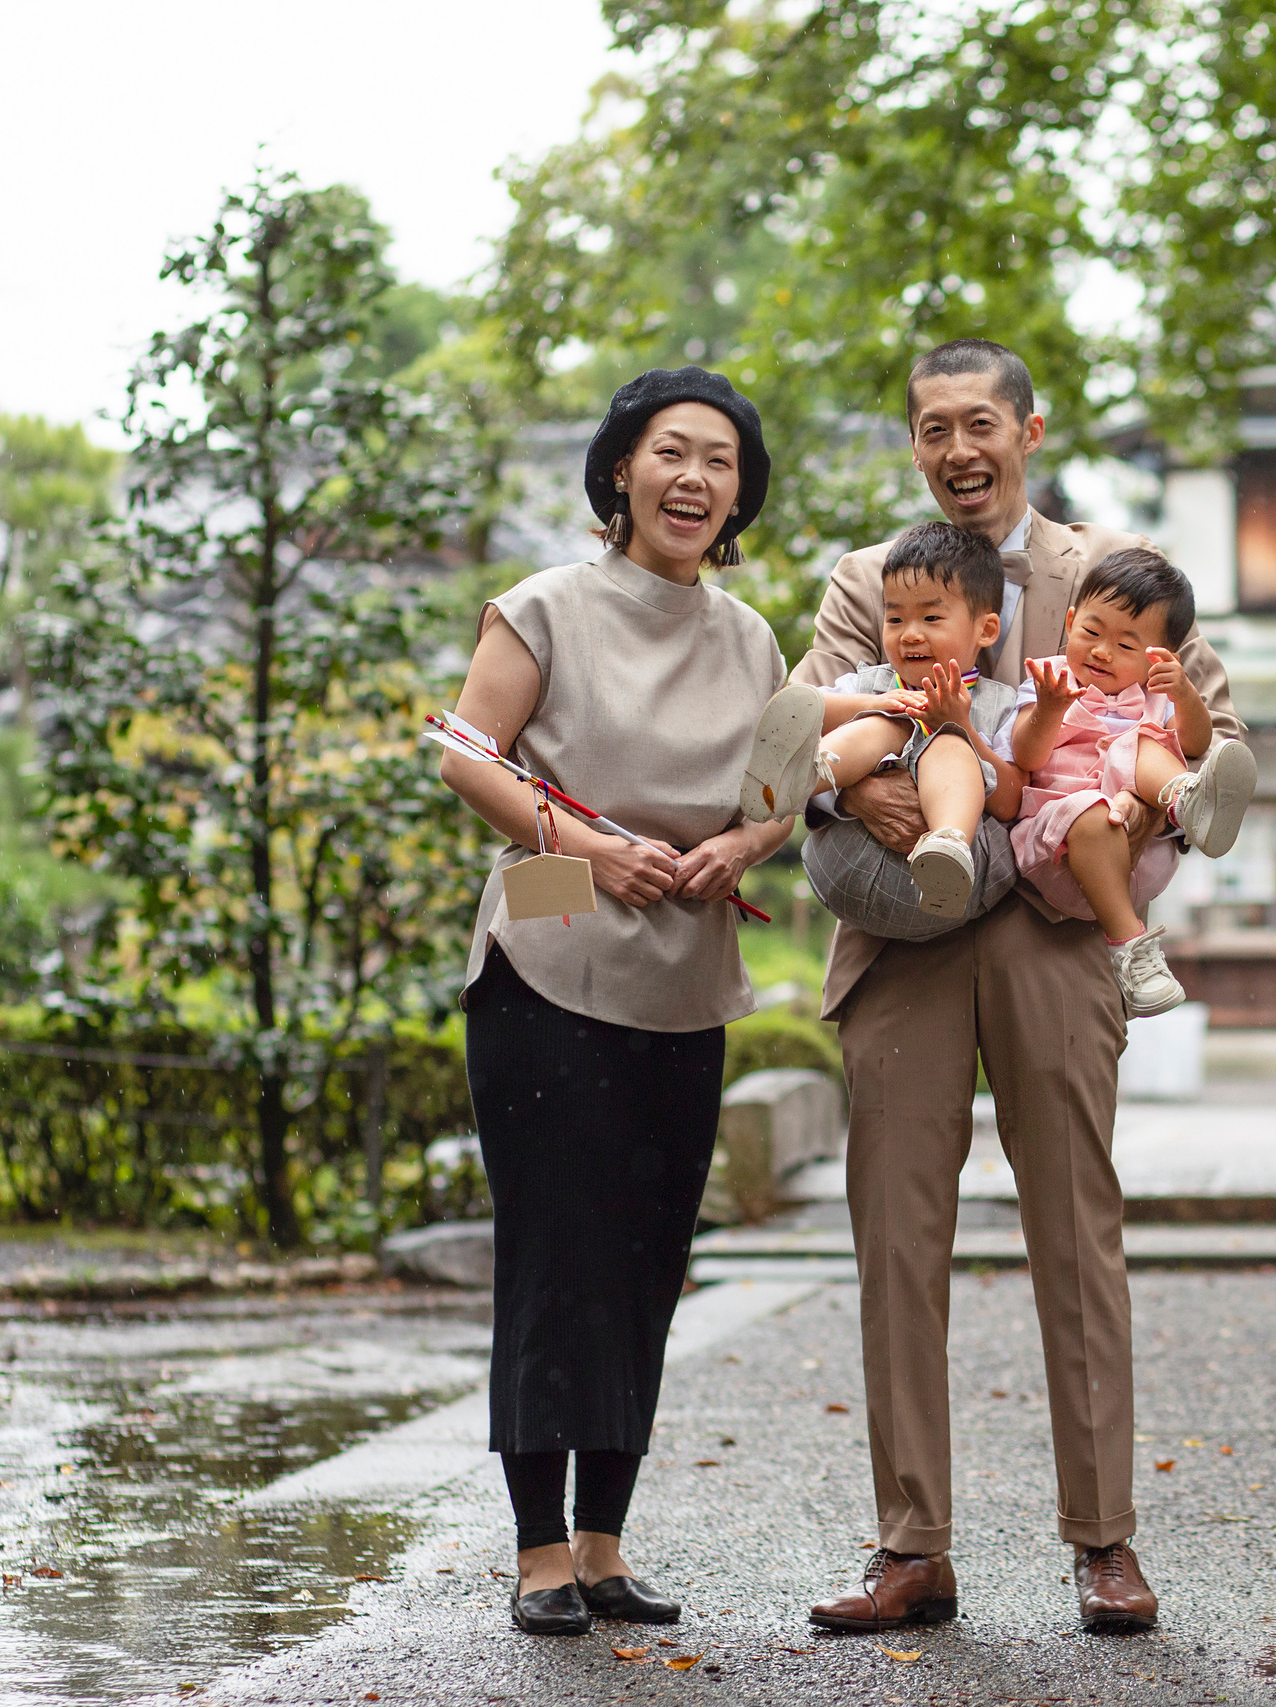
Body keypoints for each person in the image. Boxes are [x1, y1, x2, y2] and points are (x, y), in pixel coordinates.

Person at [790, 339, 1241, 1636]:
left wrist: (1138, 812)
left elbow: (1212, 731)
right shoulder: (867, 578)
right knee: (895, 1245)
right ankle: (909, 1545)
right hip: (904, 938)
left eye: (979, 421)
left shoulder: (1107, 571)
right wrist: (863, 784)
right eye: (931, 427)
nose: (956, 448)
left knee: (1077, 1234)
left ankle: (1105, 1538)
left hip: (1054, 935)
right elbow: (819, 733)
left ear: (1030, 432)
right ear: (915, 444)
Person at [437, 367, 791, 1637]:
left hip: (683, 961)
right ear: (621, 473)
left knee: (647, 1259)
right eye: (670, 453)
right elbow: (463, 755)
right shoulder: (542, 607)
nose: (694, 479)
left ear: (739, 495)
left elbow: (781, 796)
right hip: (545, 926)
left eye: (720, 462)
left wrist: (742, 851)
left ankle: (603, 1546)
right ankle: (537, 1552)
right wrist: (587, 853)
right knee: (555, 1251)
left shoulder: (752, 639)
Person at [1007, 547, 1256, 1016]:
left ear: (1158, 657)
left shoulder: (1153, 698)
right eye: (1091, 632)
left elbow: (1197, 740)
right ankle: (1132, 950)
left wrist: (1183, 693)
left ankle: (1189, 802)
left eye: (1126, 646)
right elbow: (1026, 755)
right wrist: (1049, 709)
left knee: (1145, 743)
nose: (1102, 652)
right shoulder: (1049, 680)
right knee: (1102, 794)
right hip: (1059, 854)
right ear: (1070, 620)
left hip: (1143, 855)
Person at [740, 521, 1024, 925]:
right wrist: (877, 704)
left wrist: (963, 728)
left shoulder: (1001, 705)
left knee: (948, 743)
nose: (910, 635)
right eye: (895, 620)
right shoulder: (870, 682)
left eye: (930, 618)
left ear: (986, 629)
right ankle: (796, 778)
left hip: (945, 890)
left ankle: (948, 842)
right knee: (883, 720)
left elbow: (1012, 801)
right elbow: (806, 705)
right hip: (845, 868)